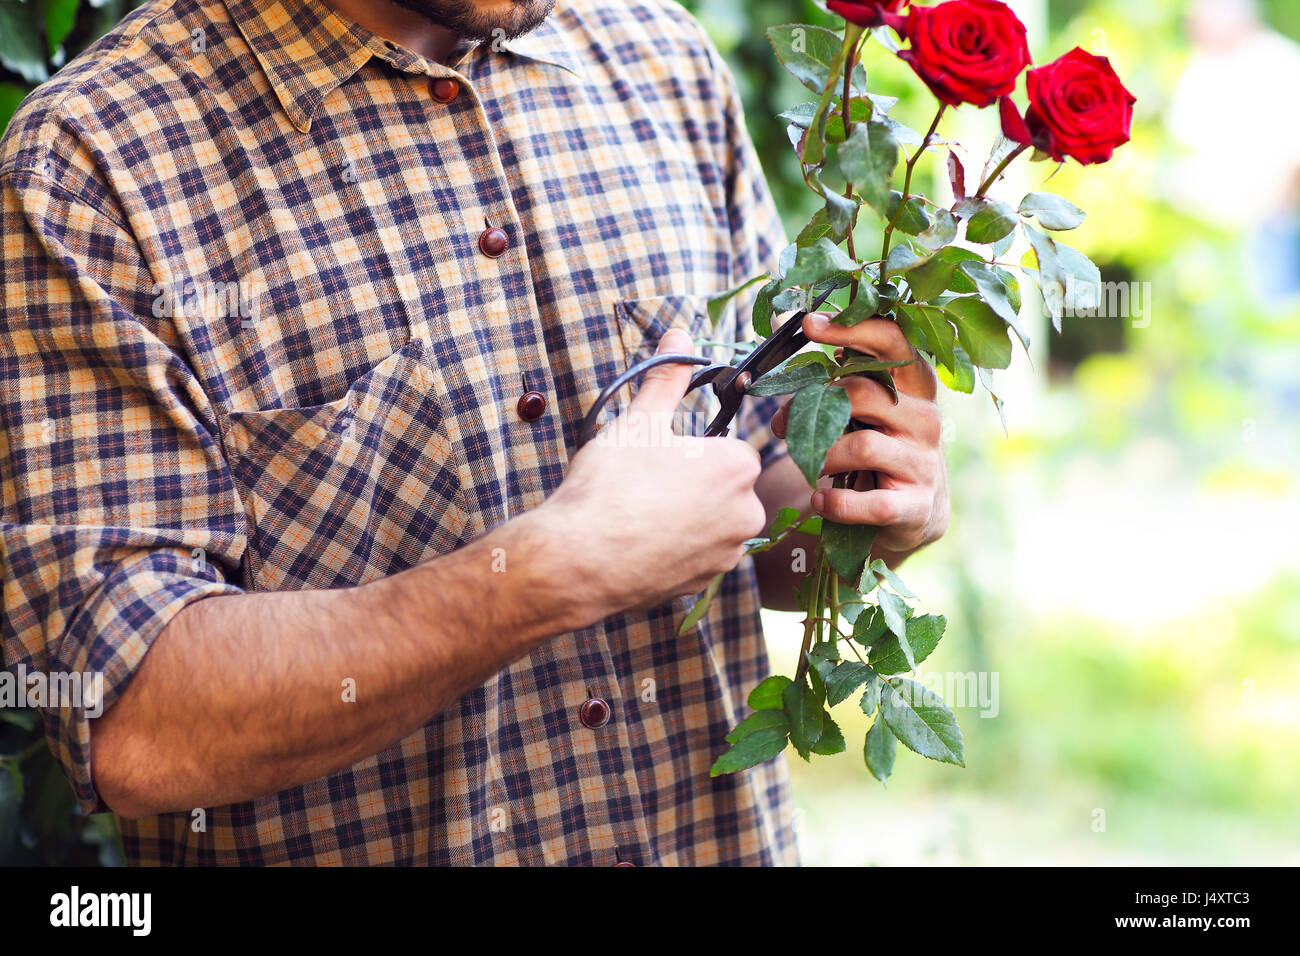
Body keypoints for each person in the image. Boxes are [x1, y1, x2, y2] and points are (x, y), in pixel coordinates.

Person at [0, 0, 948, 865]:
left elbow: (758, 501)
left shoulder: (664, 61)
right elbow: (133, 721)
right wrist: (546, 574)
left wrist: (864, 510)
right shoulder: (94, 156)